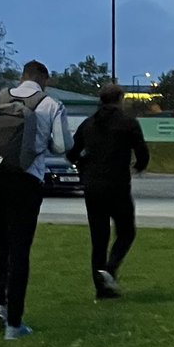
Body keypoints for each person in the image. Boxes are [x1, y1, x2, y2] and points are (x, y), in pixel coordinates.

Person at [0, 60, 71, 340]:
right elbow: (62, 146)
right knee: (20, 248)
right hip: (26, 180)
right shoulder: (50, 104)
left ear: (22, 77)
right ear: (43, 80)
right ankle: (15, 324)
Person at [67, 82, 150, 299]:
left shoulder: (88, 124)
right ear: (120, 99)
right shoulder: (128, 123)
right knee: (126, 232)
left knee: (99, 239)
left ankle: (101, 289)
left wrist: (83, 165)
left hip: (92, 187)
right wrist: (138, 166)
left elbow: (72, 152)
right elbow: (142, 154)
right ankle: (110, 270)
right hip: (117, 186)